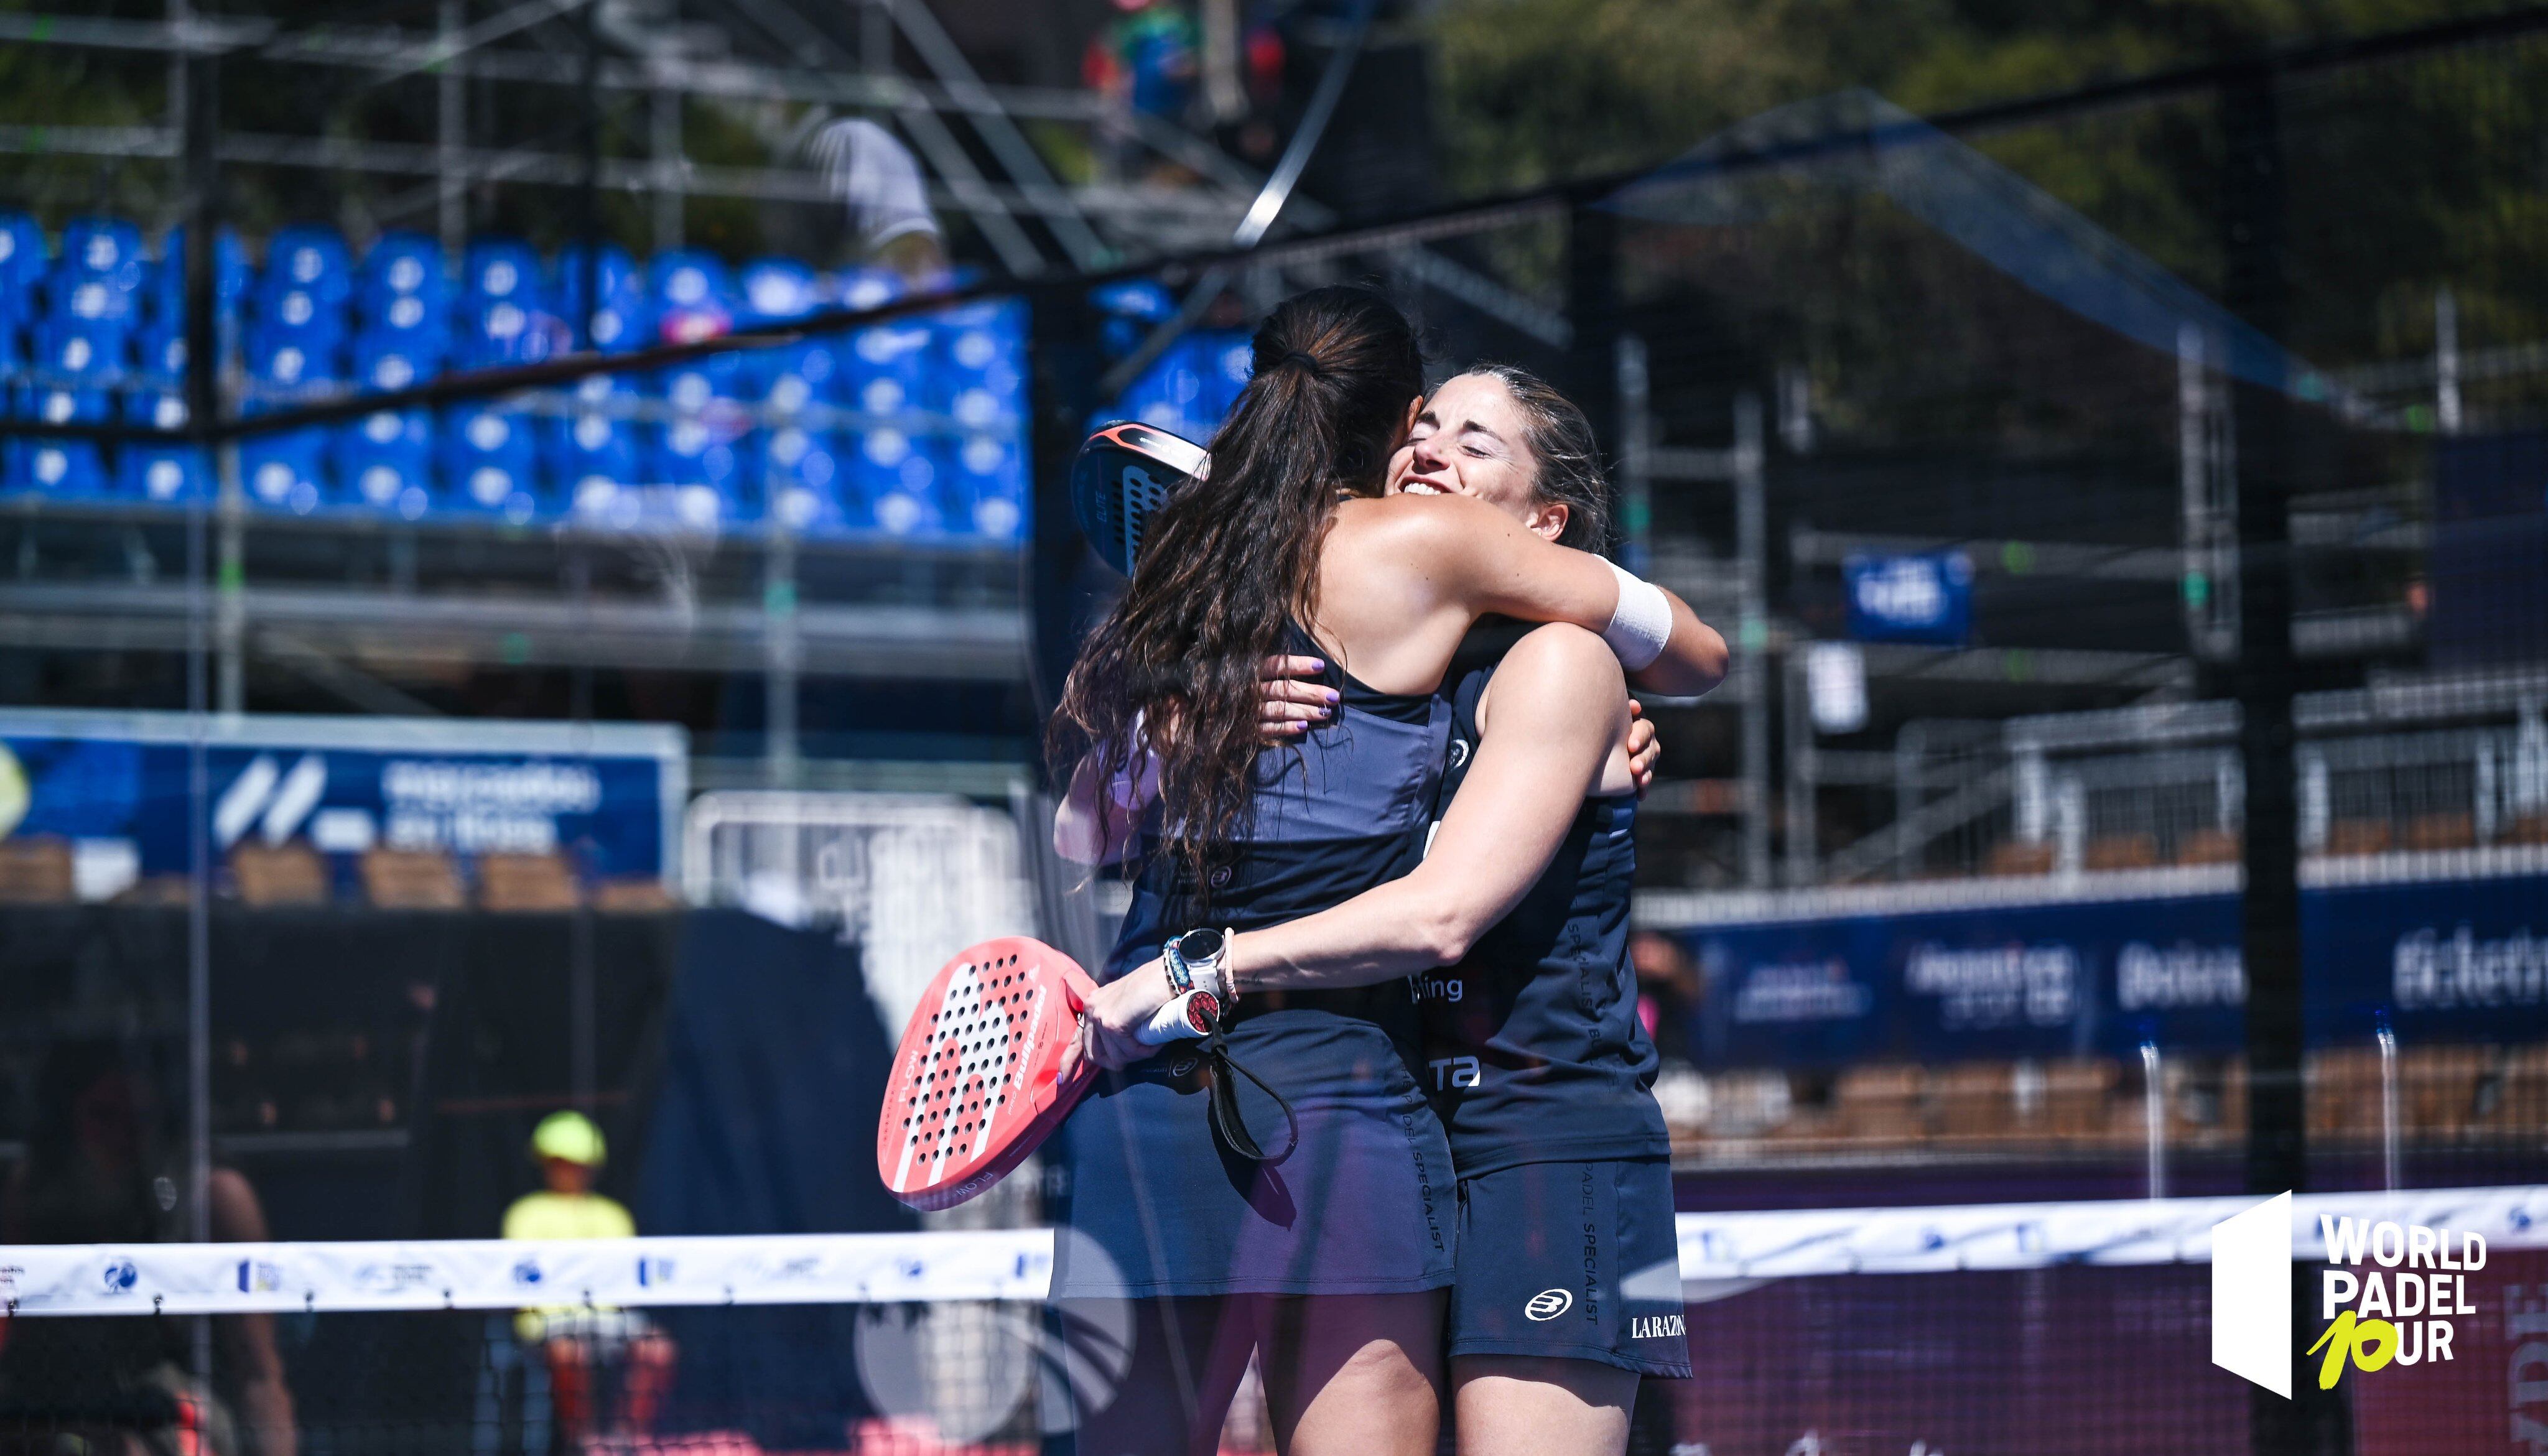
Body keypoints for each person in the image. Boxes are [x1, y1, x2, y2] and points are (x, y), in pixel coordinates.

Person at [1044, 288, 1725, 1456]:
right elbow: (1084, 828)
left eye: (1476, 441)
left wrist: (1201, 966)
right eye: (1429, 424)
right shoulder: (1367, 631)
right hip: (1383, 1103)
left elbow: (1696, 659)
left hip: (1539, 1131)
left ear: (1546, 525)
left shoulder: (1559, 659)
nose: (1435, 450)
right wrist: (1180, 723)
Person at [0, 1039, 297, 1456]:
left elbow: (260, 1375)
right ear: (67, 1122)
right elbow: (16, 1346)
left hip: (182, 1421)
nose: (123, 1136)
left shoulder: (215, 1199)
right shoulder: (32, 1196)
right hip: (61, 1420)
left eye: (139, 1118)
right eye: (104, 1115)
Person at [499, 1111, 673, 1444]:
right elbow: (524, 1281)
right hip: (549, 1324)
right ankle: (584, 1443)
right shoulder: (525, 1213)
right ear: (546, 1163)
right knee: (569, 1352)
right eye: (560, 1162)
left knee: (658, 1348)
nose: (570, 1171)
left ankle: (628, 1441)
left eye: (577, 1163)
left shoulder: (613, 1215)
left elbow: (624, 1280)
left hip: (609, 1321)